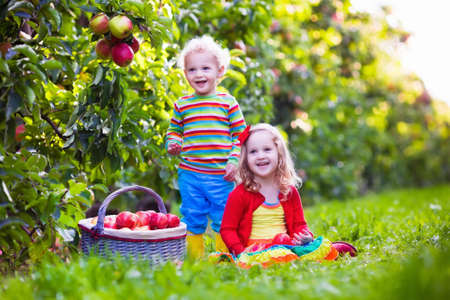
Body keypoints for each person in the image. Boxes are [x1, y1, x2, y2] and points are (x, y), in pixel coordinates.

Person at [165, 35, 246, 258]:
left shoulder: (227, 102)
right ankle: (194, 258)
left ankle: (224, 257)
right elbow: (173, 131)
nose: (199, 74)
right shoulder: (182, 105)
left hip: (222, 174)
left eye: (205, 68)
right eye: (192, 70)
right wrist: (173, 143)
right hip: (190, 173)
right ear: (185, 74)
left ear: (219, 71)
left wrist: (234, 161)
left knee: (224, 216)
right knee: (192, 214)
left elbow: (241, 136)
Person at [220, 123, 314, 257]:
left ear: (279, 154)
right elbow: (227, 229)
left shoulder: (289, 191)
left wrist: (305, 236)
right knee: (280, 246)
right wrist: (240, 253)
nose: (260, 156)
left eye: (267, 149)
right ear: (245, 159)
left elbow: (300, 224)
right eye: (253, 151)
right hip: (254, 252)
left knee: (319, 246)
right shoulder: (240, 194)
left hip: (285, 247)